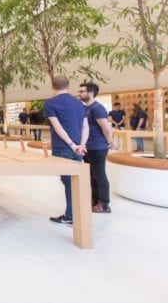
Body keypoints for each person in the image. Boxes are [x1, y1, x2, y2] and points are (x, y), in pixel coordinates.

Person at [44, 76, 89, 225]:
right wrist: (81, 144)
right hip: (78, 148)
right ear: (68, 86)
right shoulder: (79, 103)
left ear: (52, 87)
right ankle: (73, 214)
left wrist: (72, 145)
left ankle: (71, 216)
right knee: (74, 181)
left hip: (63, 147)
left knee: (68, 182)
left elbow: (58, 127)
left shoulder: (50, 103)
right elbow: (85, 126)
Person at [78, 82, 114, 214]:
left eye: (82, 91)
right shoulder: (85, 108)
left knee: (99, 175)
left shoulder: (97, 108)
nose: (79, 94)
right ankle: (95, 200)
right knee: (91, 175)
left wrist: (110, 142)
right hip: (88, 147)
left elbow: (106, 128)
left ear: (91, 93)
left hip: (98, 147)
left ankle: (104, 204)